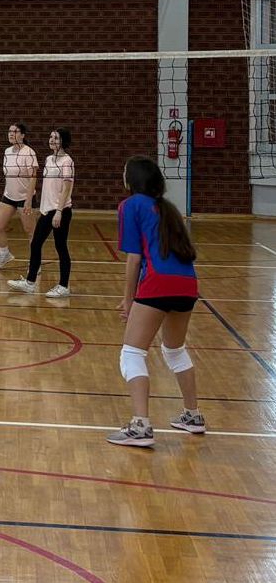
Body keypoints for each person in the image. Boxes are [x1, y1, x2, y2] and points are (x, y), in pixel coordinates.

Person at [107, 156, 203, 447]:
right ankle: (193, 415)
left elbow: (134, 258)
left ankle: (140, 426)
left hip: (158, 281)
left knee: (132, 353)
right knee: (174, 351)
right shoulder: (167, 208)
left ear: (131, 180)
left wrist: (128, 299)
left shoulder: (131, 205)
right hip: (187, 283)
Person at [8, 128, 74, 297]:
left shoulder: (67, 161)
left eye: (56, 138)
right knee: (36, 244)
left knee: (61, 247)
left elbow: (66, 189)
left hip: (60, 210)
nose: (52, 140)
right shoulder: (49, 159)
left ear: (63, 141)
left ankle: (63, 287)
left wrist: (59, 211)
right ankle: (30, 282)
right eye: (51, 137)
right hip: (46, 210)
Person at [0, 123, 38, 270]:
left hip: (25, 198)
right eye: (10, 131)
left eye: (15, 132)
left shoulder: (29, 152)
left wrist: (28, 200)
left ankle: (35, 263)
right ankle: (5, 255)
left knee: (31, 231)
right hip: (9, 197)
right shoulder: (7, 152)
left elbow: (33, 177)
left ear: (22, 135)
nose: (11, 134)